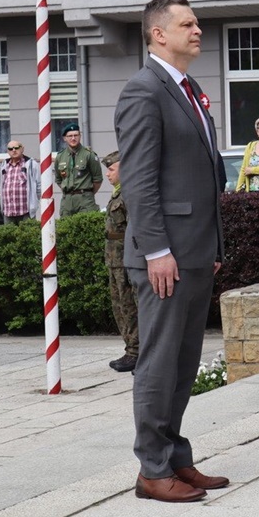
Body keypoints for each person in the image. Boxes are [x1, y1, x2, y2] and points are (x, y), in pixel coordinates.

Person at [114, 0, 227, 503]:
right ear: (159, 33)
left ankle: (177, 458)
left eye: (197, 22)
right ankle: (151, 469)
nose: (197, 30)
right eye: (187, 23)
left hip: (195, 251)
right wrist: (156, 249)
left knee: (184, 364)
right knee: (159, 364)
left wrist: (214, 244)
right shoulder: (143, 90)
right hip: (165, 257)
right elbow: (138, 181)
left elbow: (204, 175)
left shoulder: (189, 86)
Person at [102, 151, 139, 373]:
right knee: (119, 306)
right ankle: (130, 349)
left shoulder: (128, 194)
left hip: (126, 259)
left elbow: (133, 230)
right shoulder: (118, 194)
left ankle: (136, 351)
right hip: (114, 259)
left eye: (112, 169)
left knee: (130, 306)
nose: (108, 174)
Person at [54, 123, 102, 216]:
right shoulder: (60, 156)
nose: (73, 138)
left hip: (85, 199)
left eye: (76, 135)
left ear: (80, 136)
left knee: (86, 228)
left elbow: (98, 179)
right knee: (66, 228)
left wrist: (87, 193)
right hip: (67, 200)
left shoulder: (89, 155)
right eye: (70, 136)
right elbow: (58, 179)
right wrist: (68, 190)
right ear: (65, 138)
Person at [0, 140, 41, 224]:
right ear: (8, 151)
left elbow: (39, 187)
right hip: (8, 212)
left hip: (26, 212)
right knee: (9, 236)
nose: (13, 150)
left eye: (16, 148)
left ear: (22, 149)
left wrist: (34, 204)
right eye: (10, 149)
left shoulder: (31, 164)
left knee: (28, 236)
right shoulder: (4, 165)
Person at [235, 116, 259, 192]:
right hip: (251, 194)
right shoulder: (250, 146)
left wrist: (252, 170)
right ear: (257, 132)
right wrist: (238, 190)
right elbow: (243, 169)